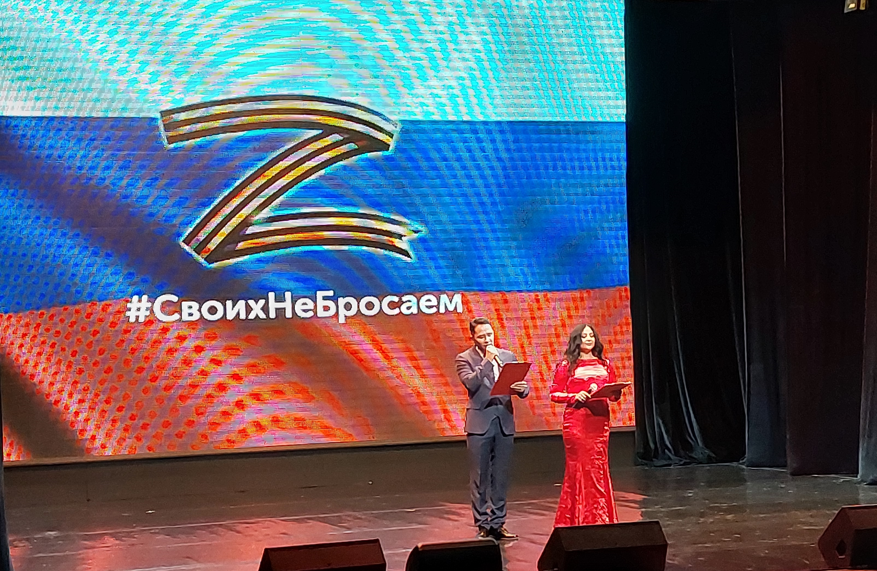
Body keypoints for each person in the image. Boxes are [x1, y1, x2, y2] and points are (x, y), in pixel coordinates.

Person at [455, 317, 530, 540]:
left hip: (504, 420)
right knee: (480, 477)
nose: (487, 339)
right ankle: (482, 524)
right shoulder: (464, 358)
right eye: (482, 336)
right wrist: (487, 361)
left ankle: (498, 523)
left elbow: (520, 387)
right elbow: (471, 383)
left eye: (489, 334)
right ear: (473, 337)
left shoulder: (507, 356)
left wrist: (522, 389)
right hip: (480, 423)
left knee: (501, 475)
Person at [549, 324, 622, 527]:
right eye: (584, 336)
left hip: (600, 422)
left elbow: (613, 394)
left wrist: (615, 393)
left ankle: (600, 517)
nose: (589, 339)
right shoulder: (567, 365)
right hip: (577, 421)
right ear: (576, 340)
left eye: (591, 335)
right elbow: (554, 393)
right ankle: (578, 519)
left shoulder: (605, 364)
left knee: (598, 467)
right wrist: (574, 396)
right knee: (581, 468)